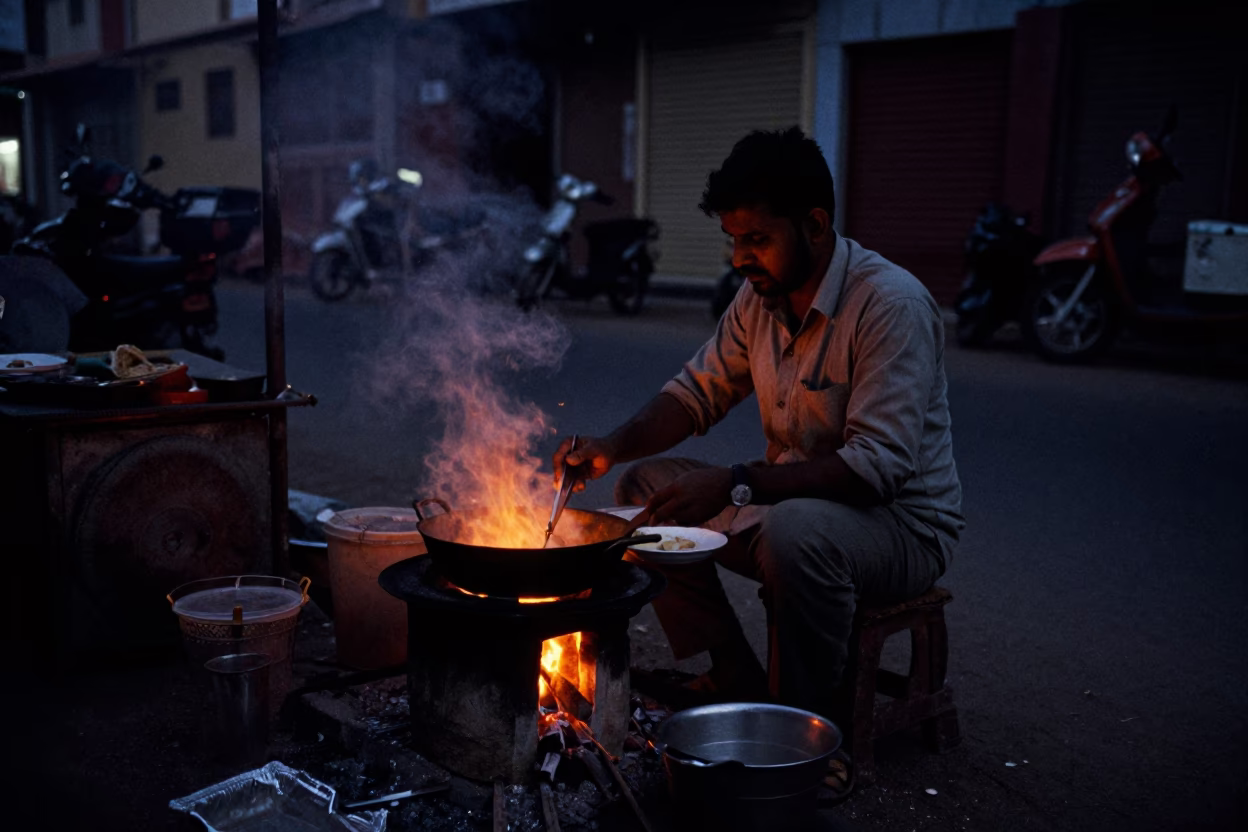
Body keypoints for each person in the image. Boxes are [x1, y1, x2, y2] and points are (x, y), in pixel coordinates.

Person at [553, 126, 964, 720]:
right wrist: (610, 446)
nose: (741, 258)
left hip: (900, 528)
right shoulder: (759, 296)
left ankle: (805, 726)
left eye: (757, 239)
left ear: (816, 225)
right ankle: (735, 674)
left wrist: (733, 482)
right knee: (643, 492)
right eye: (732, 240)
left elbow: (877, 471)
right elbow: (696, 393)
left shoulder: (889, 306)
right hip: (787, 507)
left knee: (796, 534)